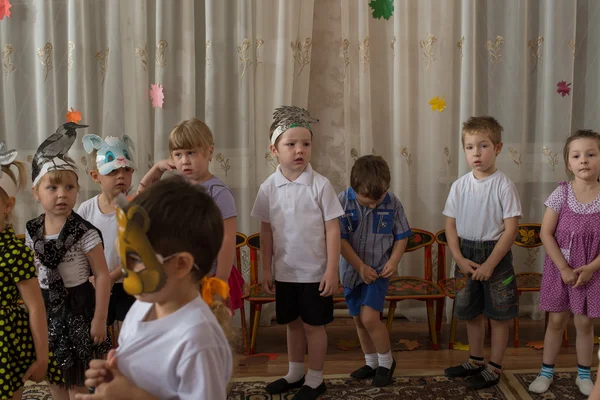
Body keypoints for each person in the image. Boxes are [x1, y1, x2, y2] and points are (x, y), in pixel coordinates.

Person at [74, 177, 233, 400]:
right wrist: (114, 376)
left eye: (137, 259)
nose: (126, 269)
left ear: (181, 264)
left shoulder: (198, 341)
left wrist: (131, 395)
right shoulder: (142, 306)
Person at [251, 105, 344, 400]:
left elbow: (333, 229)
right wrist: (266, 269)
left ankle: (316, 379)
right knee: (291, 324)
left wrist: (332, 269)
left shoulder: (321, 185)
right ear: (274, 150)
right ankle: (295, 372)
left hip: (315, 273)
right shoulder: (269, 187)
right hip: (286, 271)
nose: (299, 150)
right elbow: (266, 231)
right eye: (291, 144)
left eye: (305, 143)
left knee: (314, 326)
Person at [26, 127, 112, 400]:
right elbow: (31, 275)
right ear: (36, 192)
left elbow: (102, 274)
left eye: (69, 187)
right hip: (46, 309)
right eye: (52, 187)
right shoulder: (32, 231)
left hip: (78, 309)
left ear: (77, 190)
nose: (61, 194)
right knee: (54, 378)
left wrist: (99, 318)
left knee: (77, 380)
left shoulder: (84, 231)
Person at [443, 116, 522, 390]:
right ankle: (475, 360)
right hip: (466, 253)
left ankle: (494, 366)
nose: (476, 153)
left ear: (498, 148)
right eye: (469, 147)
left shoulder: (504, 185)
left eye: (483, 146)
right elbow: (450, 225)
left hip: (495, 257)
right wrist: (458, 258)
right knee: (469, 311)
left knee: (499, 314)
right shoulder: (459, 186)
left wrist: (490, 264)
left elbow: (511, 230)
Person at [137, 118, 243, 314]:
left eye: (191, 153)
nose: (184, 161)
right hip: (177, 275)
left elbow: (227, 239)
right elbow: (141, 198)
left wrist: (219, 280)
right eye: (178, 154)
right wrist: (157, 168)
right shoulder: (175, 187)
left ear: (209, 152)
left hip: (205, 276)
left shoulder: (218, 192)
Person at [528, 129, 600, 396]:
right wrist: (563, 269)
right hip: (560, 271)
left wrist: (591, 268)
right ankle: (546, 371)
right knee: (556, 322)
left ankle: (584, 373)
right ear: (569, 163)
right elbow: (545, 233)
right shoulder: (561, 193)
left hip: (591, 274)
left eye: (591, 154)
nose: (584, 160)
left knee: (584, 324)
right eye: (577, 155)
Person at [338, 155, 411, 387]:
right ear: (354, 187)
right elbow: (339, 241)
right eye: (367, 200)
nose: (374, 205)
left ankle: (387, 362)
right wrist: (359, 267)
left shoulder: (393, 202)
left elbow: (402, 236)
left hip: (378, 272)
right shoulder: (341, 202)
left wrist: (395, 261)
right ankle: (371, 362)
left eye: (378, 199)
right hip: (351, 272)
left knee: (370, 318)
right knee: (359, 319)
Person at [0, 143, 48, 399]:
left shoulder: (14, 251)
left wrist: (42, 358)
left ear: (8, 206)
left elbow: (35, 306)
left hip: (6, 343)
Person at [78, 134, 137, 338]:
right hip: (95, 285)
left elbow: (137, 254)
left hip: (128, 285)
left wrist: (111, 277)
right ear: (96, 176)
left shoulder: (134, 209)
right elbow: (78, 250)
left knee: (128, 335)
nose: (121, 176)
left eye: (126, 170)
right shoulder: (86, 210)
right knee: (98, 336)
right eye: (112, 171)